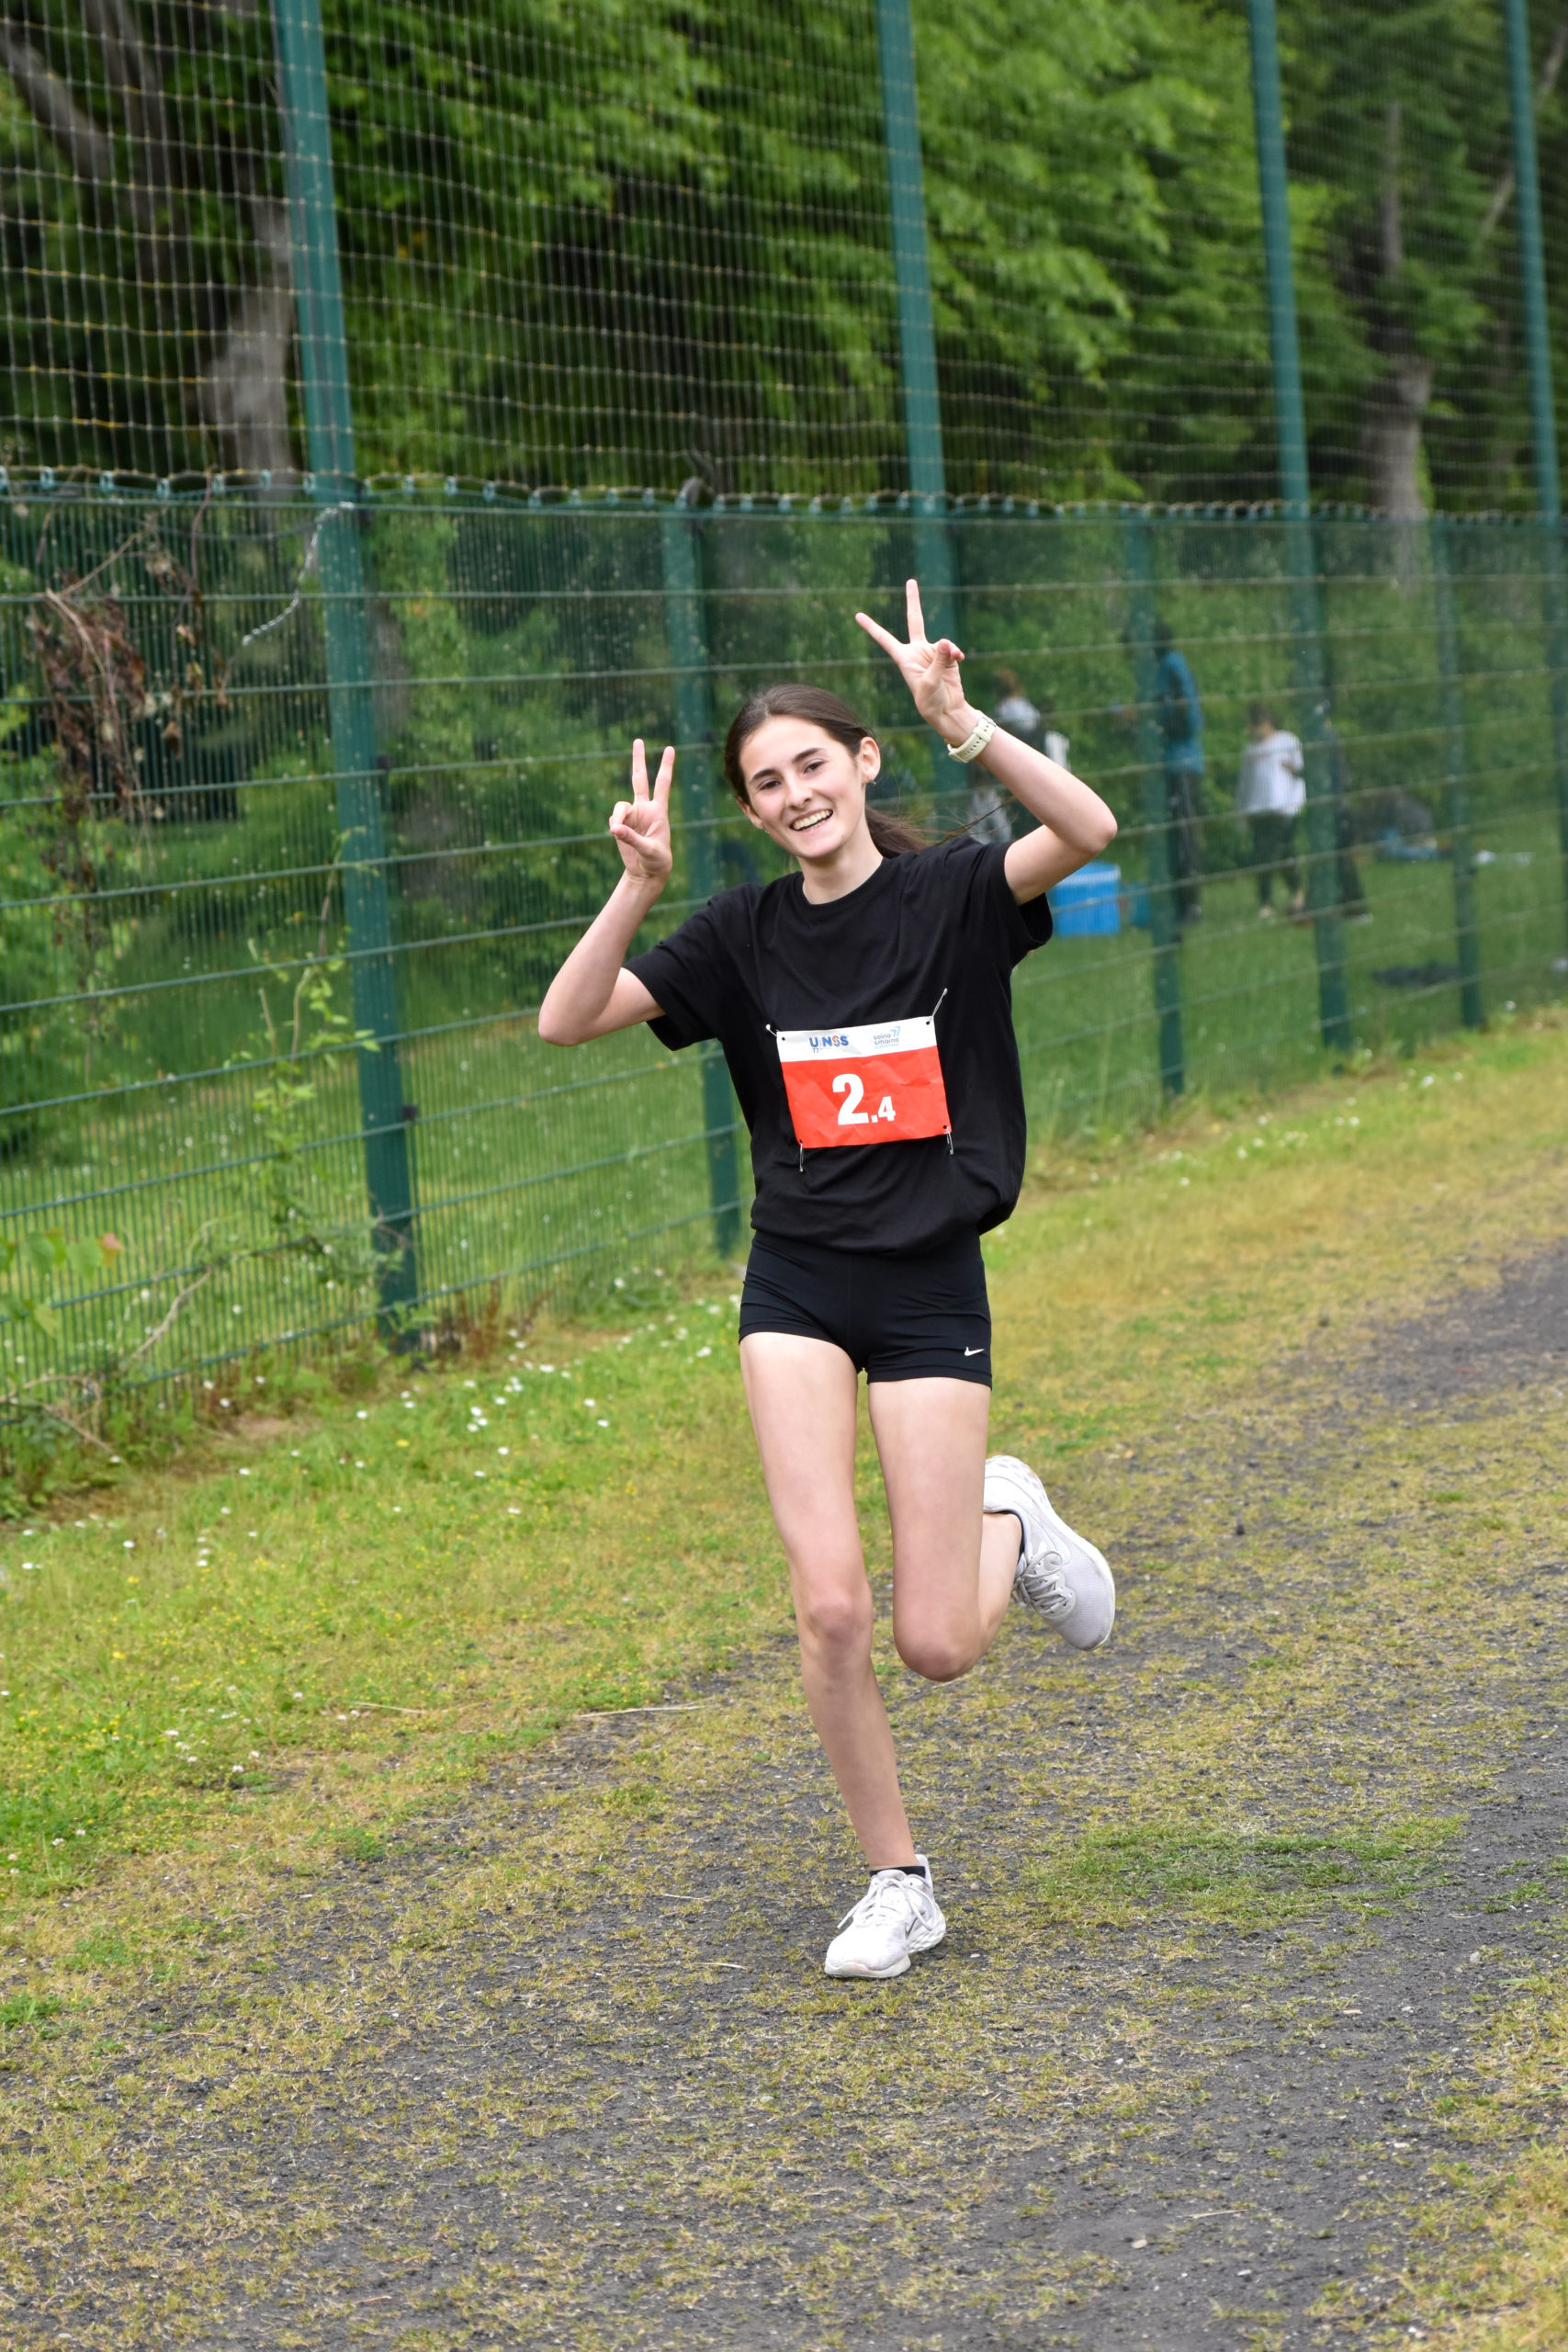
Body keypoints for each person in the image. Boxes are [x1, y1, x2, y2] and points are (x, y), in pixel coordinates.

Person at [538, 581, 1119, 1984]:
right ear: (749, 812)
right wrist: (634, 887)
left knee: (934, 1644)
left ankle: (1005, 1513)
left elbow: (1087, 830)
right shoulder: (738, 935)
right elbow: (567, 1019)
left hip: (926, 1288)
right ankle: (894, 1881)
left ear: (861, 764)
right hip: (795, 1287)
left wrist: (961, 723)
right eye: (765, 782)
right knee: (831, 1608)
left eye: (811, 763)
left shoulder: (951, 894)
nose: (794, 793)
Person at [1153, 620, 1205, 924]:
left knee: (1185, 833)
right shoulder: (1163, 668)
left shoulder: (1172, 665)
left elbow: (1186, 709)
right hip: (1171, 763)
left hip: (1183, 762)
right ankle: (1177, 901)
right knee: (1176, 834)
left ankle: (1190, 904)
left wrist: (1163, 722)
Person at [1235, 701, 1305, 919]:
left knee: (1284, 855)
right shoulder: (1250, 750)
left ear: (1265, 722)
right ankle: (1266, 902)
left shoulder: (1287, 741)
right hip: (1258, 811)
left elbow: (1301, 774)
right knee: (1262, 858)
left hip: (1282, 809)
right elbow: (1244, 784)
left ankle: (1298, 892)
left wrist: (1295, 803)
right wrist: (1241, 811)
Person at [966, 668, 1040, 844]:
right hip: (1029, 774)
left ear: (996, 690)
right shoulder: (1031, 712)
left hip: (1007, 779)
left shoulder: (999, 716)